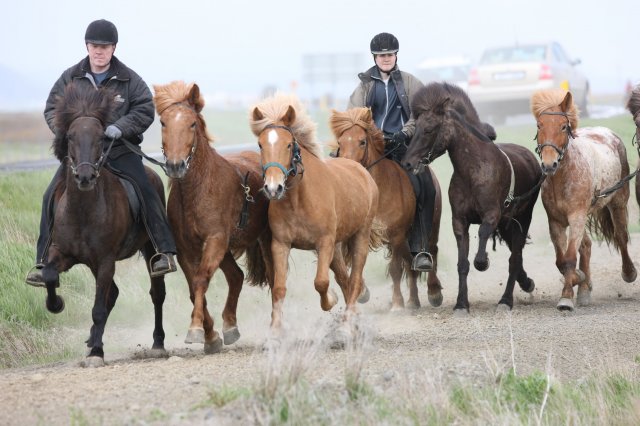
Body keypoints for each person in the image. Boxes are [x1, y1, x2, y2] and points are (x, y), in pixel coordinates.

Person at [25, 19, 177, 286]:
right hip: (82, 154)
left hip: (118, 150)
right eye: (95, 45)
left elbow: (144, 109)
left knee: (146, 186)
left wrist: (121, 127)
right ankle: (42, 260)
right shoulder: (71, 77)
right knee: (51, 194)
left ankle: (162, 252)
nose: (99, 51)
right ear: (87, 46)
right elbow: (51, 109)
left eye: (105, 47)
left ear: (114, 49)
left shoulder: (129, 79)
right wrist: (69, 130)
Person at [347, 32, 436, 272]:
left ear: (396, 55)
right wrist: (374, 135)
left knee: (425, 184)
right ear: (374, 58)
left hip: (402, 145)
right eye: (381, 55)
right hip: (371, 146)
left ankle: (420, 248)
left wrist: (404, 133)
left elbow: (420, 113)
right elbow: (354, 114)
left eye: (389, 54)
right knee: (339, 179)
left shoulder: (410, 82)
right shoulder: (365, 86)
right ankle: (340, 247)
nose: (386, 58)